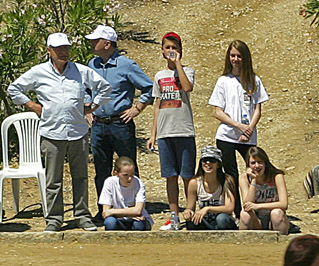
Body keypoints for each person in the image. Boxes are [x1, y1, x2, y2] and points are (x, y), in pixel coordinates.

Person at [6, 33, 111, 232]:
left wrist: (94, 106)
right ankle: (54, 219)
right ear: (49, 50)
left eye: (66, 48)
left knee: (80, 177)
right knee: (53, 179)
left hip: (78, 131)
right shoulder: (38, 72)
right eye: (59, 48)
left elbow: (104, 87)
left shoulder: (81, 71)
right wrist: (32, 105)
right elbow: (14, 89)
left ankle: (82, 216)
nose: (64, 52)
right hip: (52, 133)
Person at [86, 25, 154, 203]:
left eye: (95, 41)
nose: (91, 44)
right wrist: (87, 108)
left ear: (107, 44)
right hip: (98, 125)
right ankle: (104, 209)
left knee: (129, 167)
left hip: (120, 124)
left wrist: (137, 108)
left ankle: (134, 206)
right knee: (101, 170)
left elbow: (149, 88)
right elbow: (85, 88)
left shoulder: (126, 65)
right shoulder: (92, 65)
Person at [209, 40, 268, 208]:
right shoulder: (223, 81)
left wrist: (249, 129)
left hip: (248, 136)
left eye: (239, 56)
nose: (235, 59)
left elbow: (257, 109)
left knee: (255, 169)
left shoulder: (254, 80)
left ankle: (257, 206)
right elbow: (218, 112)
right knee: (231, 174)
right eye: (232, 56)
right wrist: (239, 126)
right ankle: (234, 209)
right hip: (226, 135)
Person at [147, 33, 197, 231]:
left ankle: (190, 211)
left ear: (180, 50)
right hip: (165, 132)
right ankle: (174, 215)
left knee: (187, 175)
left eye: (174, 47)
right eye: (167, 47)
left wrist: (178, 65)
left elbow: (187, 87)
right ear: (162, 50)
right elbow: (157, 105)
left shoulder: (187, 71)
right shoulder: (159, 76)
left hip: (184, 130)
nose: (171, 51)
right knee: (170, 176)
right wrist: (153, 134)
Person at [182, 145, 237, 230]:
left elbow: (229, 208)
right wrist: (188, 212)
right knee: (191, 221)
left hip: (224, 221)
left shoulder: (226, 181)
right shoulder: (194, 183)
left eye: (212, 161)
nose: (208, 163)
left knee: (221, 219)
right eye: (205, 160)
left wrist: (207, 209)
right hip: (205, 222)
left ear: (218, 164)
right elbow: (190, 207)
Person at [239, 145, 290, 234]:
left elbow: (284, 204)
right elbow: (247, 204)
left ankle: (281, 240)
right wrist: (253, 180)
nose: (257, 166)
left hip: (274, 219)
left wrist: (258, 206)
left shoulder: (276, 177)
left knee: (276, 213)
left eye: (260, 162)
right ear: (248, 165)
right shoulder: (244, 178)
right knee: (244, 214)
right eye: (253, 163)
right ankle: (244, 241)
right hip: (256, 220)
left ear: (265, 163)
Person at [98, 155, 151, 230]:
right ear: (116, 173)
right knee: (110, 222)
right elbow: (106, 212)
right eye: (125, 175)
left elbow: (138, 211)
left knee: (139, 224)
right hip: (119, 220)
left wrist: (113, 211)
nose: (129, 178)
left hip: (137, 219)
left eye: (132, 174)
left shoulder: (139, 183)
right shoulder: (109, 182)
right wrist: (130, 213)